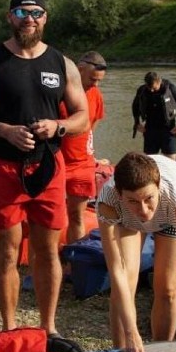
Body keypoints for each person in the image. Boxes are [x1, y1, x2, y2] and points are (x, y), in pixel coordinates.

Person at [0, 0, 89, 335]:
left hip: (48, 165)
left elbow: (83, 116)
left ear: (45, 18)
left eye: (35, 13)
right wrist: (4, 130)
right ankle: (9, 326)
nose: (28, 19)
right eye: (21, 13)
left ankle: (48, 327)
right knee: (7, 249)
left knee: (48, 250)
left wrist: (57, 125)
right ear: (10, 18)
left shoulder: (63, 64)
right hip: (3, 165)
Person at [96, 152, 176, 352]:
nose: (144, 210)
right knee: (124, 287)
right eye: (133, 201)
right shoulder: (107, 202)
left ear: (158, 188)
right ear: (119, 195)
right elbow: (116, 271)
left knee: (167, 288)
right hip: (127, 221)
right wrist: (131, 333)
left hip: (168, 215)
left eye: (149, 199)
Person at [60, 50, 107, 243]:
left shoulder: (96, 94)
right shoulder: (59, 92)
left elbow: (90, 127)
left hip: (83, 165)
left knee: (77, 216)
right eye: (92, 79)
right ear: (79, 69)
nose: (95, 84)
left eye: (99, 80)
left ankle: (74, 261)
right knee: (49, 216)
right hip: (59, 162)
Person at [131, 72, 176, 161]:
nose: (151, 90)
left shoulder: (171, 88)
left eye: (154, 88)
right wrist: (137, 122)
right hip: (150, 128)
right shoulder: (142, 90)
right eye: (149, 88)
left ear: (159, 82)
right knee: (148, 161)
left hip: (168, 129)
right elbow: (135, 105)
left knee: (171, 161)